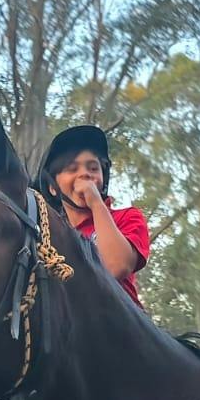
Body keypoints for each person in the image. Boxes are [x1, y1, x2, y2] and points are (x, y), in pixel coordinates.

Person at [36, 123, 151, 307]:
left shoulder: (127, 217)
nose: (85, 175)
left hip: (123, 329)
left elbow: (116, 267)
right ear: (52, 187)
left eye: (93, 168)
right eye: (72, 169)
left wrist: (96, 203)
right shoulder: (47, 237)